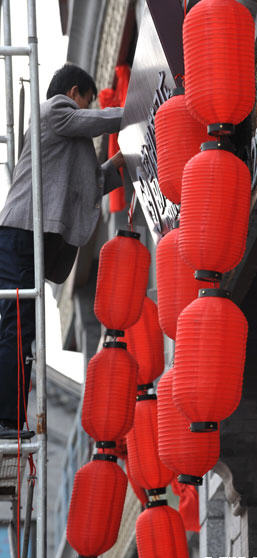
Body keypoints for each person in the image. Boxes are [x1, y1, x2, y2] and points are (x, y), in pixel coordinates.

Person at [0, 63, 125, 438]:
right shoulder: (54, 110)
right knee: (16, 328)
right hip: (21, 233)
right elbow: (95, 122)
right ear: (74, 94)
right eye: (86, 102)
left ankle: (9, 419)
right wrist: (136, 110)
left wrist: (120, 166)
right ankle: (5, 420)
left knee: (21, 332)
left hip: (28, 237)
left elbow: (86, 188)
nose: (86, 111)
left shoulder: (65, 140)